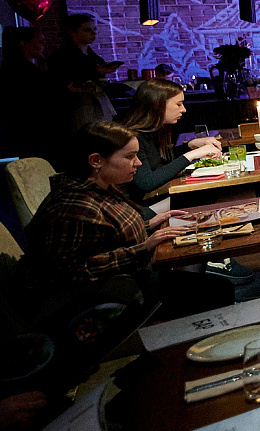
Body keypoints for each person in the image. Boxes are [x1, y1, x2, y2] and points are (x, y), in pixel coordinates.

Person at [24, 120, 230, 318]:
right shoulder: (74, 207)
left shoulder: (99, 187)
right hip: (108, 302)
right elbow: (67, 273)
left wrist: (150, 224)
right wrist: (143, 248)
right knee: (217, 289)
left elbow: (106, 237)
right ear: (96, 161)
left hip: (130, 281)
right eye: (130, 156)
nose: (138, 163)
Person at [118, 79, 224, 205]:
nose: (183, 109)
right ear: (157, 104)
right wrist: (192, 154)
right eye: (178, 104)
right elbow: (146, 183)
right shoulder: (133, 137)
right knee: (210, 195)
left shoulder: (152, 131)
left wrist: (190, 145)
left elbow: (160, 160)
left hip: (153, 199)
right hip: (138, 207)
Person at [49, 14, 119, 129]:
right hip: (78, 106)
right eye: (87, 30)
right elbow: (62, 82)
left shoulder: (95, 57)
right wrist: (95, 72)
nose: (93, 33)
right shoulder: (62, 57)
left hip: (98, 102)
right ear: (72, 32)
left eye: (94, 29)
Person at [0, 27, 55, 163]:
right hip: (32, 129)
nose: (44, 45)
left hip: (27, 129)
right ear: (24, 43)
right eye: (40, 41)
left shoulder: (14, 67)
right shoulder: (22, 71)